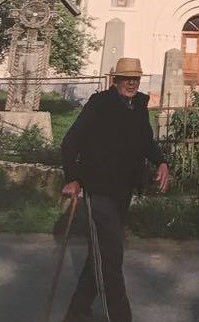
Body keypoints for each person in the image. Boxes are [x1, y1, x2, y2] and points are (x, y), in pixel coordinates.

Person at [60, 57, 170, 322]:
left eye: (136, 78)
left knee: (101, 253)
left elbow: (146, 141)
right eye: (126, 78)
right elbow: (70, 141)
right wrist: (73, 178)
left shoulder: (139, 105)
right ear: (115, 80)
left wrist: (162, 161)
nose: (132, 83)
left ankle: (77, 311)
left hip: (123, 190)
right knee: (111, 256)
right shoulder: (100, 104)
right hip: (99, 189)